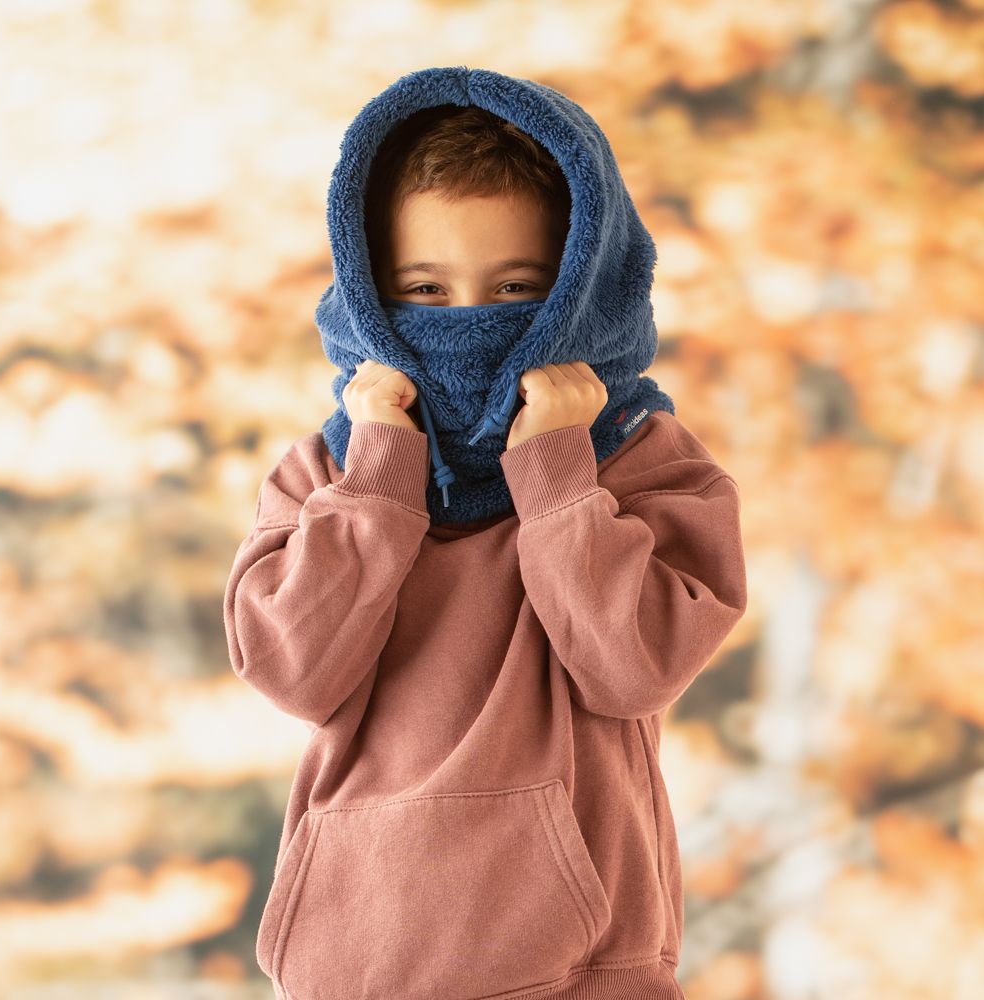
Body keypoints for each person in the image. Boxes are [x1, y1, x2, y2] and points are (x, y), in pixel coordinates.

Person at [223, 66, 748, 1000]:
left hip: (581, 968)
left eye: (515, 288)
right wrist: (382, 477)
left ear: (584, 290)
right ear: (368, 293)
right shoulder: (325, 474)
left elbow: (631, 666)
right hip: (354, 965)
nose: (468, 321)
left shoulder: (643, 463)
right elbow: (294, 670)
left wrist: (555, 478)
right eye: (424, 288)